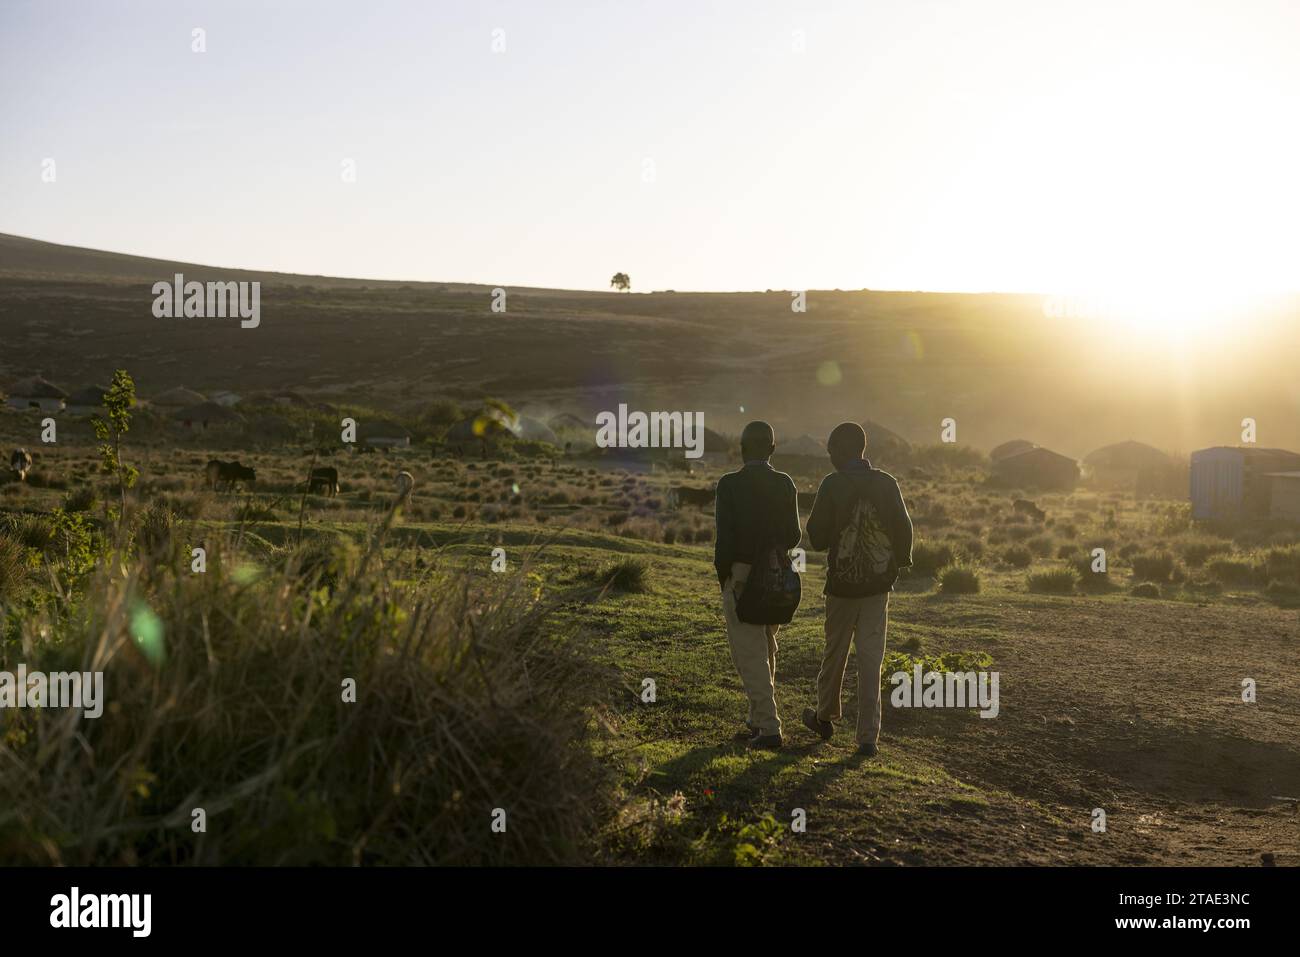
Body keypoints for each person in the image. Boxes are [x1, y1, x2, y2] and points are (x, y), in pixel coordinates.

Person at [802, 422, 913, 756]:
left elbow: (818, 537)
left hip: (842, 585)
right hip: (878, 586)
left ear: (840, 449)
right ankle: (868, 737)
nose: (829, 456)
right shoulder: (886, 482)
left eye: (831, 450)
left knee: (834, 653)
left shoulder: (833, 484)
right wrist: (898, 563)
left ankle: (824, 717)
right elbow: (903, 527)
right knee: (870, 657)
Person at [714, 421, 803, 749]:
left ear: (741, 447)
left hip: (741, 573)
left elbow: (724, 539)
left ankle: (768, 728)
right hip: (775, 572)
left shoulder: (729, 485)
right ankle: (756, 719)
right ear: (772, 449)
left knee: (749, 654)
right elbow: (794, 535)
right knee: (765, 647)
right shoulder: (784, 483)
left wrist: (723, 575)